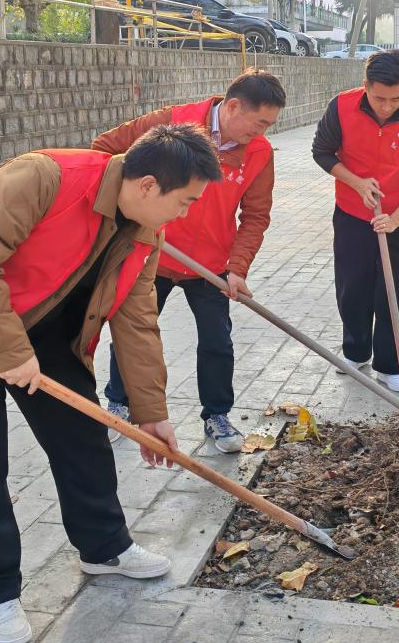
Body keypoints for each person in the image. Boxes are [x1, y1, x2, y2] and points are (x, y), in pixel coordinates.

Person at [0, 126, 221, 643]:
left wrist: (151, 411)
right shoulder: (45, 177)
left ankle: (104, 547)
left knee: (82, 438)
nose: (185, 214)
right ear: (149, 185)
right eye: (185, 202)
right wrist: (10, 351)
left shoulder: (145, 231)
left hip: (40, 329)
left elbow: (137, 321)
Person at [91, 69, 285, 453]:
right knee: (133, 332)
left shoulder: (259, 152)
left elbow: (256, 215)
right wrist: (127, 217)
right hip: (152, 254)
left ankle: (217, 416)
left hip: (211, 265)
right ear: (234, 106)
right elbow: (102, 151)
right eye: (260, 122)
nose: (262, 132)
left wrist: (237, 268)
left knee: (217, 342)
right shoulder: (170, 123)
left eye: (269, 125)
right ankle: (119, 402)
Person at [311, 49, 399, 392]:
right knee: (352, 285)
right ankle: (355, 351)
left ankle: (391, 364)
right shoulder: (342, 107)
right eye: (379, 98)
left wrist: (396, 219)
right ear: (366, 86)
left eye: (396, 99)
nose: (387, 107)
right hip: (352, 212)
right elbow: (321, 151)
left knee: (397, 290)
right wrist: (356, 182)